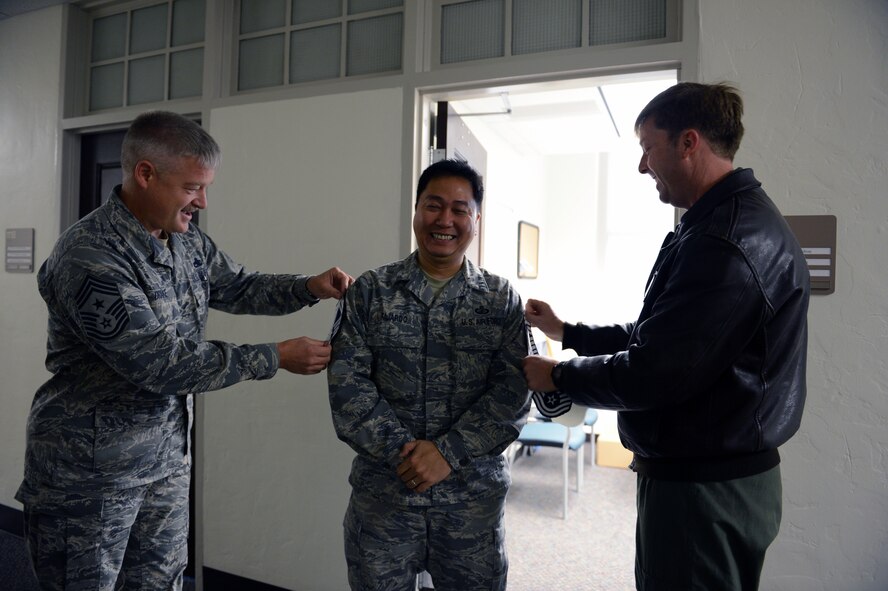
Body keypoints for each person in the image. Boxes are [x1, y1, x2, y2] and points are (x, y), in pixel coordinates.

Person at [16, 110, 353, 591]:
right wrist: (275, 356)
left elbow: (238, 286)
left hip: (165, 462)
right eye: (193, 187)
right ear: (146, 174)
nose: (203, 201)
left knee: (161, 583)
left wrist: (309, 287)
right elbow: (161, 364)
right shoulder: (90, 256)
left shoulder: (184, 238)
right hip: (89, 474)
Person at [523, 83, 810, 590]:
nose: (642, 166)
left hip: (706, 490)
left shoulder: (727, 242)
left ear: (688, 143)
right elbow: (656, 336)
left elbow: (656, 372)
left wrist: (558, 376)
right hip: (702, 479)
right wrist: (566, 332)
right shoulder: (710, 228)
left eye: (647, 149)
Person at [327, 159, 530, 591]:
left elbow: (514, 392)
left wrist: (448, 453)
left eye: (460, 209)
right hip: (385, 504)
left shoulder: (500, 299)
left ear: (476, 219)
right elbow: (348, 387)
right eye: (434, 206)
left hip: (471, 508)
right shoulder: (371, 291)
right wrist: (408, 455)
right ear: (416, 210)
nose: (445, 220)